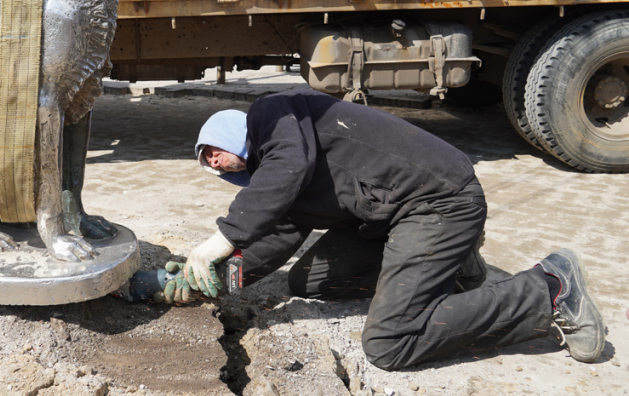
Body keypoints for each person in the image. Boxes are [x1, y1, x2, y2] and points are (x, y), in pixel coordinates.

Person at [162, 89, 605, 370]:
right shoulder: (284, 183)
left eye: (210, 152)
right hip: (395, 220)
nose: (212, 164)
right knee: (306, 279)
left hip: (441, 203)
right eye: (207, 165)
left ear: (228, 130)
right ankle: (453, 265)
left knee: (390, 344)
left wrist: (220, 239)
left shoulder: (273, 114)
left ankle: (546, 290)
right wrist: (202, 280)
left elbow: (284, 169)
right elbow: (271, 242)